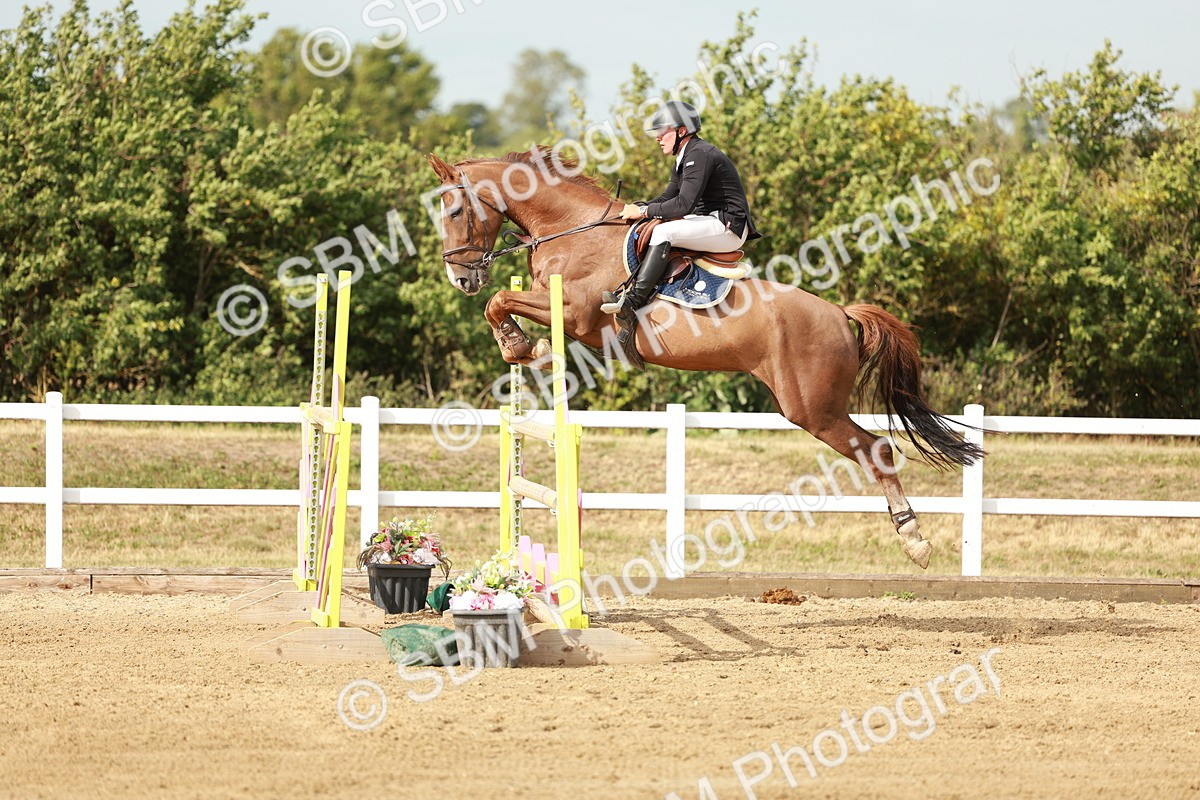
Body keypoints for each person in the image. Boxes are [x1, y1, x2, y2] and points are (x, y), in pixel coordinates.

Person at [601, 100, 762, 340]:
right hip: (707, 222)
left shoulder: (700, 154)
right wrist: (638, 207)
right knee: (653, 225)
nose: (657, 137)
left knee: (663, 233)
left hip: (727, 226)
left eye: (662, 131)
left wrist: (644, 213)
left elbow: (683, 204)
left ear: (681, 131)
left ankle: (633, 301)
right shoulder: (684, 157)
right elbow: (667, 198)